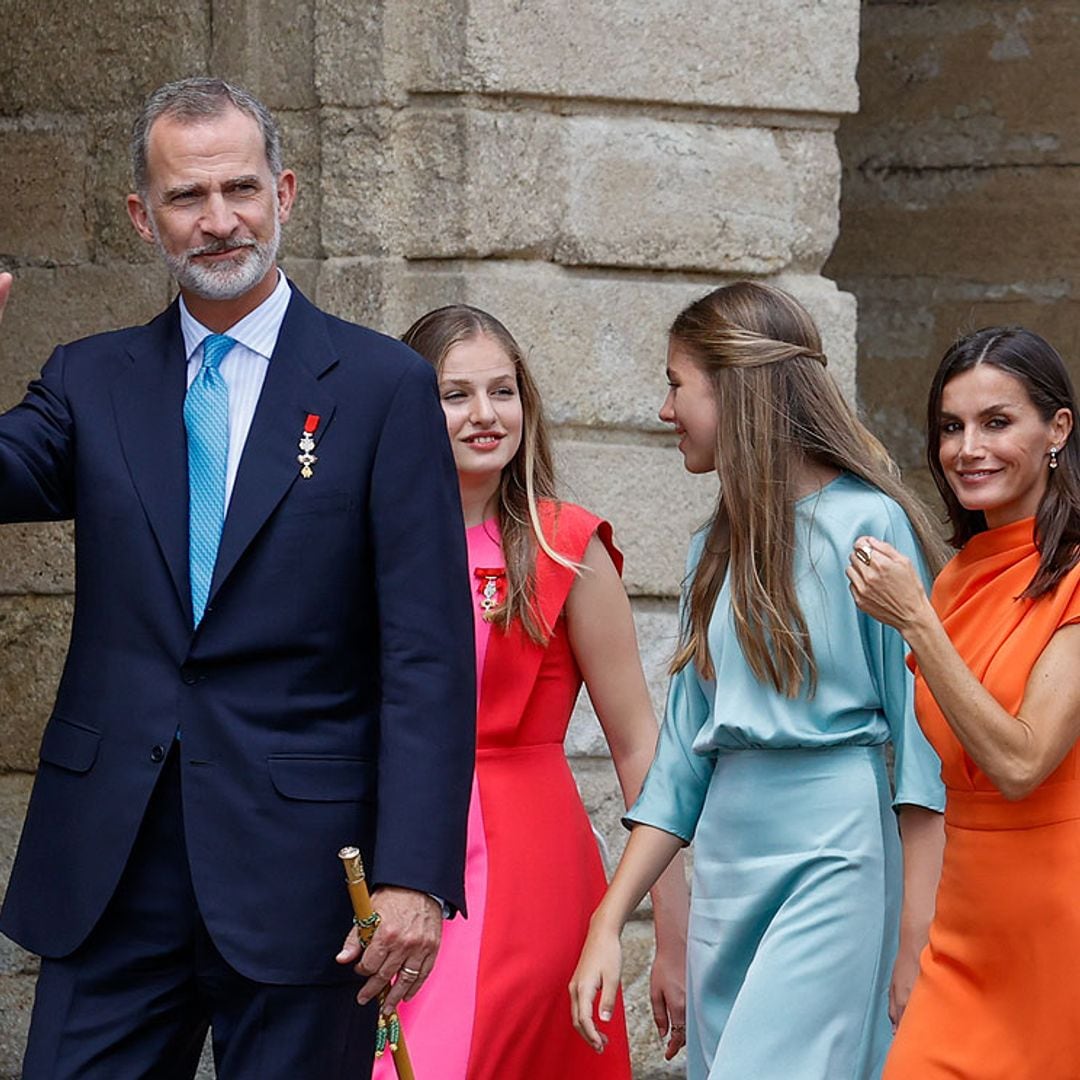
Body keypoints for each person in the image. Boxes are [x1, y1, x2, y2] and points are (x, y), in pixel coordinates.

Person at [0, 78, 475, 1079]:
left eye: (240, 189)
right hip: (113, 872)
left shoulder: (383, 388)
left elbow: (427, 655)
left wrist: (415, 876)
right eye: (186, 197)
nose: (219, 221)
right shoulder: (91, 380)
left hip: (306, 882)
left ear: (285, 192)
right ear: (142, 216)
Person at [570, 281, 948, 1079]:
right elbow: (679, 763)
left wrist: (917, 928)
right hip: (728, 862)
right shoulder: (711, 548)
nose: (665, 410)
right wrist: (609, 920)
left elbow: (922, 746)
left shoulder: (867, 525)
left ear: (734, 387)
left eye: (677, 384)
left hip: (835, 847)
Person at [371, 304, 690, 1079]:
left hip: (528, 863)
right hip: (387, 847)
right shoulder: (359, 541)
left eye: (503, 391)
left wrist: (675, 936)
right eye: (456, 395)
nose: (486, 415)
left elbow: (640, 746)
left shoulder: (568, 545)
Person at [848, 326, 1080, 1079]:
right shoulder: (957, 580)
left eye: (996, 422)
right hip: (962, 932)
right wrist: (918, 936)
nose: (967, 449)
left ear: (1058, 430)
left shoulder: (1074, 580)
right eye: (951, 427)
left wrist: (915, 621)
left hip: (1058, 928)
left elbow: (1019, 761)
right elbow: (941, 786)